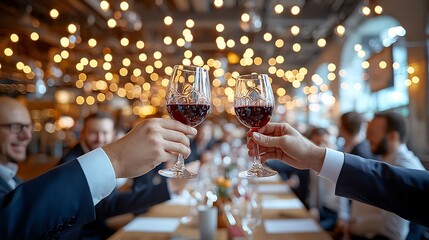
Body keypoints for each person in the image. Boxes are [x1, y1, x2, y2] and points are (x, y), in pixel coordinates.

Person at [0, 96, 197, 239]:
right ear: (82, 133)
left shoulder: (12, 180)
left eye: (27, 126)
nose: (27, 136)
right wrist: (115, 159)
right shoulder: (72, 161)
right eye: (15, 127)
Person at [245, 121, 429, 227]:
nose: (366, 138)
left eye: (371, 132)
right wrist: (313, 157)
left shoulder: (403, 161)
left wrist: (347, 223)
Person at [58, 112, 190, 239]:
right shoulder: (73, 162)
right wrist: (170, 186)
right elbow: (108, 205)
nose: (100, 138)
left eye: (105, 133)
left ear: (113, 134)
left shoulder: (97, 155)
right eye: (93, 132)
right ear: (82, 133)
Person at [341, 112, 425, 240]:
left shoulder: (403, 166)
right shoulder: (386, 159)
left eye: (372, 133)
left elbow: (393, 229)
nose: (367, 138)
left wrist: (355, 226)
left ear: (392, 136)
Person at [335, 111, 377, 238]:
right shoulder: (350, 147)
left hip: (357, 221)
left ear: (342, 127)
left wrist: (345, 218)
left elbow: (358, 191)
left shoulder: (360, 151)